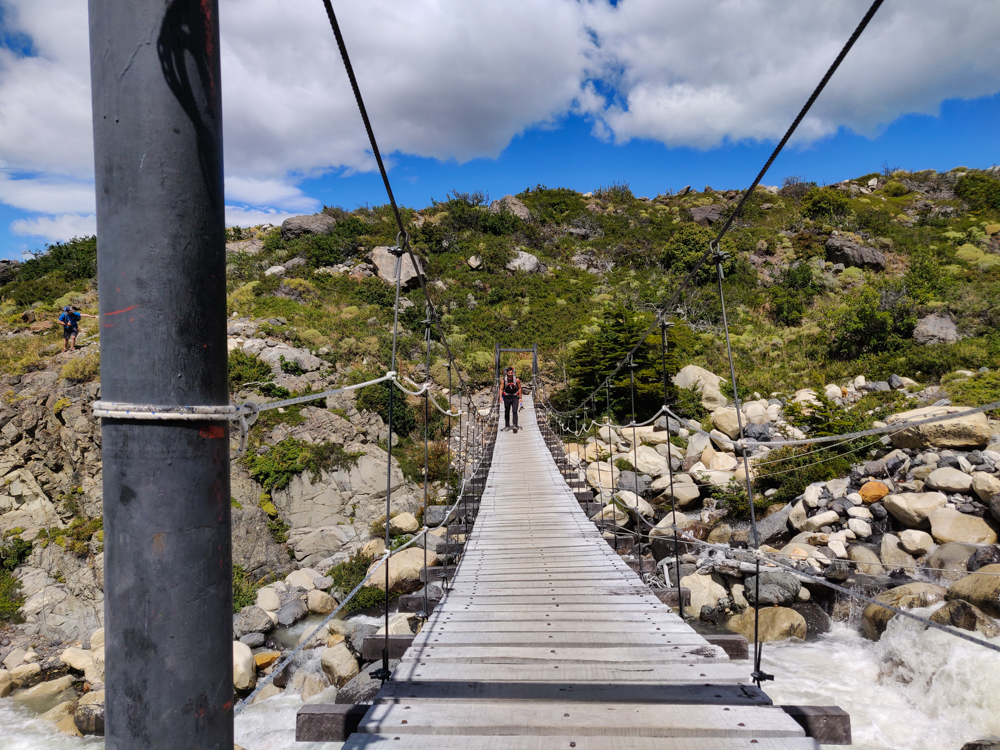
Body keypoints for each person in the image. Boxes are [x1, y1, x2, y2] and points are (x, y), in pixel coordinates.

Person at [500, 366, 522, 433]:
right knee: (507, 411)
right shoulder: (503, 380)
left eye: (511, 373)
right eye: (509, 373)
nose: (510, 374)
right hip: (507, 397)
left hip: (515, 397)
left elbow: (519, 388)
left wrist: (520, 398)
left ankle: (515, 425)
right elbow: (501, 389)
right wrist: (500, 397)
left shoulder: (517, 380)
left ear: (513, 373)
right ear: (507, 373)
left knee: (515, 411)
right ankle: (507, 425)